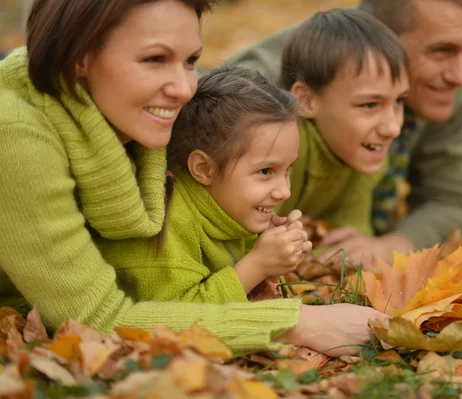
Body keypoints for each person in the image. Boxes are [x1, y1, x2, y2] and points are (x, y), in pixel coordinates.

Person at [0, 0, 387, 357]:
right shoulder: (16, 133)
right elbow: (93, 320)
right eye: (154, 59)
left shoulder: (129, 121)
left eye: (190, 61)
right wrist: (291, 324)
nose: (185, 88)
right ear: (79, 59)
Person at [226, 0, 462, 265]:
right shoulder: (261, 88)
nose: (460, 76)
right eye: (441, 51)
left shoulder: (446, 91)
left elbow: (452, 199)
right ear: (382, 38)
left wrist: (391, 246)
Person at [96, 65, 311, 304]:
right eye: (265, 171)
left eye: (287, 169)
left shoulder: (227, 207)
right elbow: (181, 319)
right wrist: (257, 265)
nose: (285, 191)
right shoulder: (167, 230)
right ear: (204, 169)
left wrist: (273, 266)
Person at [275, 9, 409, 242]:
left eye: (399, 101)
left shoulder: (365, 153)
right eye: (369, 105)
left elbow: (349, 241)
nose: (393, 128)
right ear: (306, 101)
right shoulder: (278, 146)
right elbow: (241, 242)